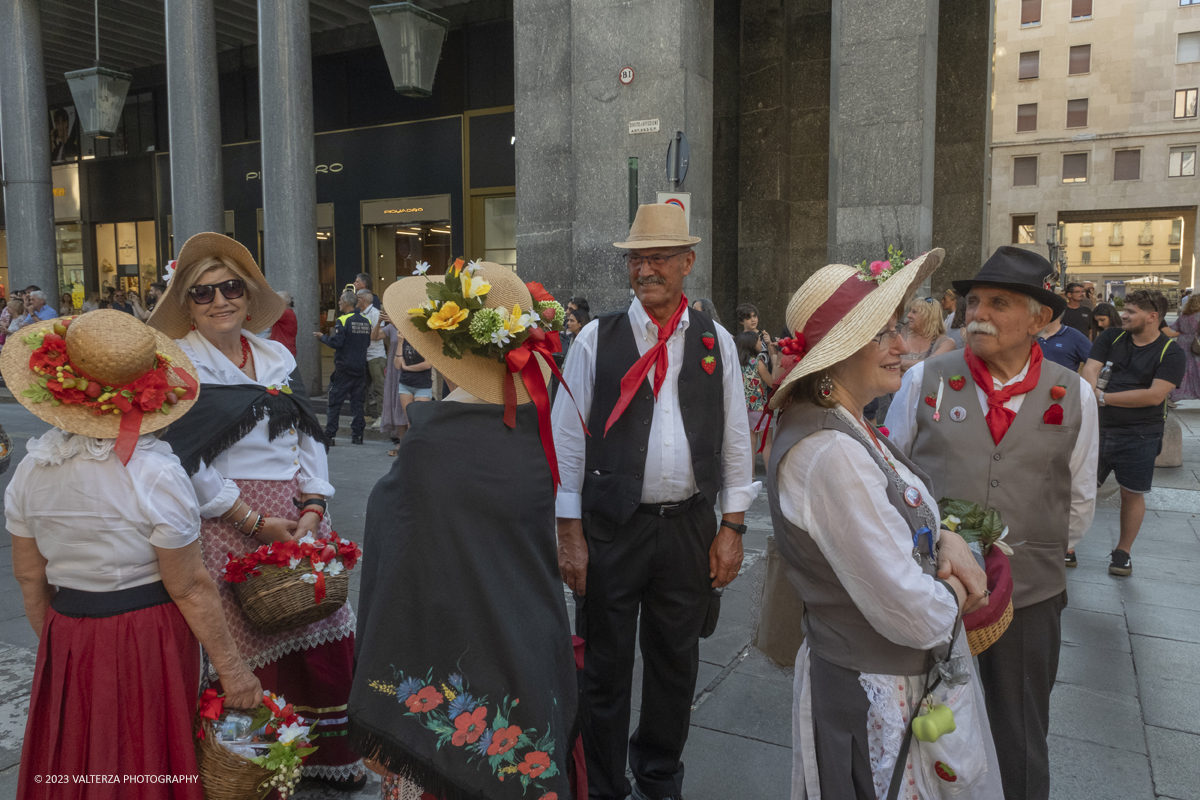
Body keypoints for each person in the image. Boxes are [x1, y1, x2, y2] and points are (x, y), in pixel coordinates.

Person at [764, 249, 1003, 799]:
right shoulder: (830, 453)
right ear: (837, 354)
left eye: (898, 329)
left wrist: (944, 536)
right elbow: (914, 614)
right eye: (883, 335)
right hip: (878, 690)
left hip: (889, 679)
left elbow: (903, 514)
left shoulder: (845, 427)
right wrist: (962, 583)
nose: (903, 347)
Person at [2, 310, 263, 799]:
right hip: (147, 634)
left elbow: (30, 579)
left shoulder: (30, 472)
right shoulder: (156, 474)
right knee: (144, 752)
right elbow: (188, 585)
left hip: (68, 626)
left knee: (78, 751)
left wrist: (63, 648)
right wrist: (233, 669)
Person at [349, 262, 582, 800]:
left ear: (447, 351)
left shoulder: (433, 444)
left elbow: (394, 553)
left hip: (450, 638)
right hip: (527, 631)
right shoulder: (535, 429)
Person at [551, 204, 758, 800]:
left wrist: (734, 527)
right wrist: (570, 534)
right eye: (638, 258)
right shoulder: (597, 338)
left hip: (689, 526)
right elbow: (567, 439)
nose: (647, 269)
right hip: (614, 527)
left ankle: (660, 772)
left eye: (660, 257)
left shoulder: (716, 341)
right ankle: (606, 784)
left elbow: (736, 436)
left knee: (676, 663)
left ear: (687, 263)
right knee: (604, 668)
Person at [147, 233, 364, 788]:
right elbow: (179, 459)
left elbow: (305, 432)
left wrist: (315, 502)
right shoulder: (181, 366)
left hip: (295, 511)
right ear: (187, 304)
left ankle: (324, 759)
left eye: (231, 288)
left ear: (248, 295)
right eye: (202, 293)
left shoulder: (273, 355)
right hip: (224, 520)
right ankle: (250, 770)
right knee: (241, 645)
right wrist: (247, 518)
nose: (220, 300)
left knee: (321, 625)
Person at [886, 246, 1098, 800]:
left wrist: (1030, 556)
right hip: (936, 592)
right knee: (927, 726)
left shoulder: (1074, 392)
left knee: (1020, 732)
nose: (977, 312)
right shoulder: (924, 380)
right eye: (974, 300)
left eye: (999, 303)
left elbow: (1077, 498)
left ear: (1039, 319)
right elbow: (891, 478)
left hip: (1029, 598)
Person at [1084, 289, 1186, 578]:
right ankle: (1067, 544)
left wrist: (1102, 398)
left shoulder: (1172, 352)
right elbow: (1091, 369)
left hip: (1141, 433)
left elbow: (1154, 396)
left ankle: (1123, 552)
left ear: (1152, 317)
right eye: (1125, 309)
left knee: (1132, 493)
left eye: (1131, 311)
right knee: (1079, 487)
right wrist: (1090, 387)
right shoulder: (1110, 337)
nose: (1124, 315)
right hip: (1098, 427)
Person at [318, 290, 371, 445]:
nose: (339, 302)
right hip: (360, 368)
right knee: (358, 403)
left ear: (346, 303)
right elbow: (366, 343)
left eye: (341, 300)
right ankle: (357, 435)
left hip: (344, 369)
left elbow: (337, 343)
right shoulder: (365, 321)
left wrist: (323, 338)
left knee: (334, 401)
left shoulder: (343, 320)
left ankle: (330, 436)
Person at [372, 310, 409, 457]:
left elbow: (408, 337)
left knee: (403, 405)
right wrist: (378, 322)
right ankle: (400, 442)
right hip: (394, 369)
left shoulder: (409, 325)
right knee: (396, 403)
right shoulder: (390, 327)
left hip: (407, 367)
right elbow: (374, 337)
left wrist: (394, 321)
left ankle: (406, 443)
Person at [736, 330, 773, 469]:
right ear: (752, 344)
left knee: (750, 444)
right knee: (766, 443)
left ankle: (750, 478)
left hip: (745, 409)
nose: (760, 343)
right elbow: (771, 382)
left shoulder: (738, 363)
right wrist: (775, 364)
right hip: (760, 407)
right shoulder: (758, 362)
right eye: (758, 341)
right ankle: (770, 478)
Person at [899, 297, 955, 371]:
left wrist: (898, 363)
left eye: (914, 312)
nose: (908, 315)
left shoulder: (947, 343)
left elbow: (931, 365)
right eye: (910, 311)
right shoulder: (901, 336)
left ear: (928, 316)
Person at [356, 289, 387, 422]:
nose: (355, 301)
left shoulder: (375, 313)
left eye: (356, 298)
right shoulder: (359, 314)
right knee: (363, 387)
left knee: (379, 387)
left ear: (361, 299)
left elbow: (379, 334)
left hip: (376, 356)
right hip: (363, 356)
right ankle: (366, 415)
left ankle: (382, 416)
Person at [1037, 308, 1092, 372]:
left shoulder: (1074, 336)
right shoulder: (1031, 335)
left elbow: (1096, 362)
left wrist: (1084, 380)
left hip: (1063, 381)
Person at [1170, 292, 1200, 401]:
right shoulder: (1199, 316)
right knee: (1196, 370)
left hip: (1181, 344)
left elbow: (1176, 328)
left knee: (1183, 371)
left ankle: (1176, 394)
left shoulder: (1183, 316)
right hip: (1196, 344)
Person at [270, 290, 298, 355]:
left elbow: (268, 313)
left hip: (283, 350)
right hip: (284, 349)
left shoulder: (285, 313)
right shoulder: (287, 312)